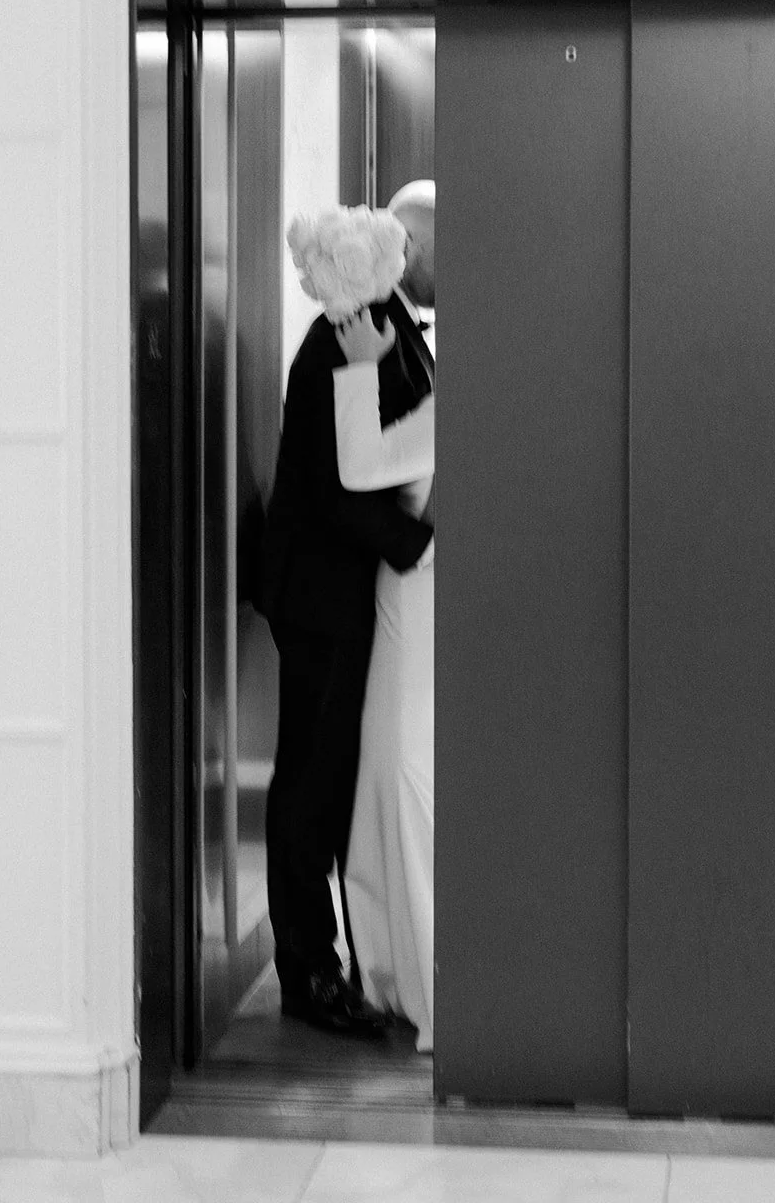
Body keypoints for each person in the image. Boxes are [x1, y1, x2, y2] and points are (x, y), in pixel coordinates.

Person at [261, 183, 436, 1036]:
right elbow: (340, 482)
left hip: (346, 589)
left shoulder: (386, 322)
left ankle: (346, 960)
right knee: (312, 786)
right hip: (320, 593)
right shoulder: (348, 330)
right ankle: (308, 975)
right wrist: (421, 544)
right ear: (409, 246)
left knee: (334, 779)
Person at [333, 301, 435, 1052]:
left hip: (419, 596)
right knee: (385, 773)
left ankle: (414, 977)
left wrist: (362, 367)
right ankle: (389, 971)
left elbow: (362, 467)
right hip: (414, 592)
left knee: (397, 773)